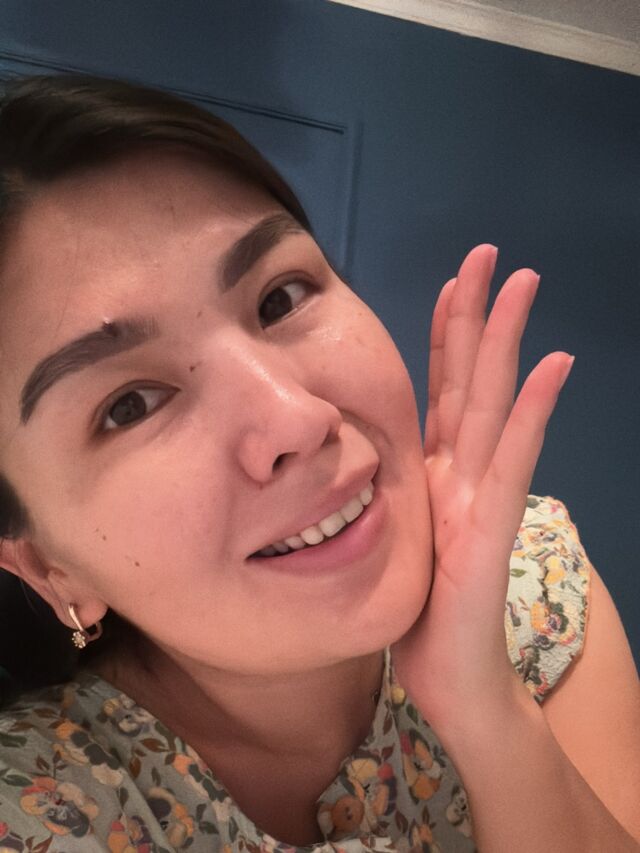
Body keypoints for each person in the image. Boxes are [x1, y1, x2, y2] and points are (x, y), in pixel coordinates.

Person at [0, 73, 637, 852]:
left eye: (281, 297)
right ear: (49, 568)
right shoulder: (42, 809)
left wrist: (486, 708)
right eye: (130, 404)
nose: (297, 419)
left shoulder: (530, 581)